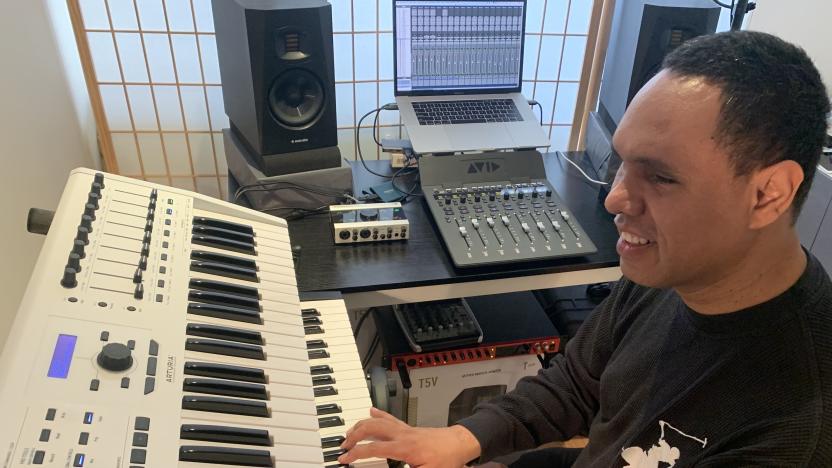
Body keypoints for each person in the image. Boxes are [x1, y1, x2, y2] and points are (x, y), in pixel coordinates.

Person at [338, 30, 832, 467]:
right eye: (621, 162)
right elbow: (577, 382)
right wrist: (463, 438)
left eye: (660, 176)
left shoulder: (796, 433)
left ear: (769, 194)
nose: (616, 197)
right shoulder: (671, 272)